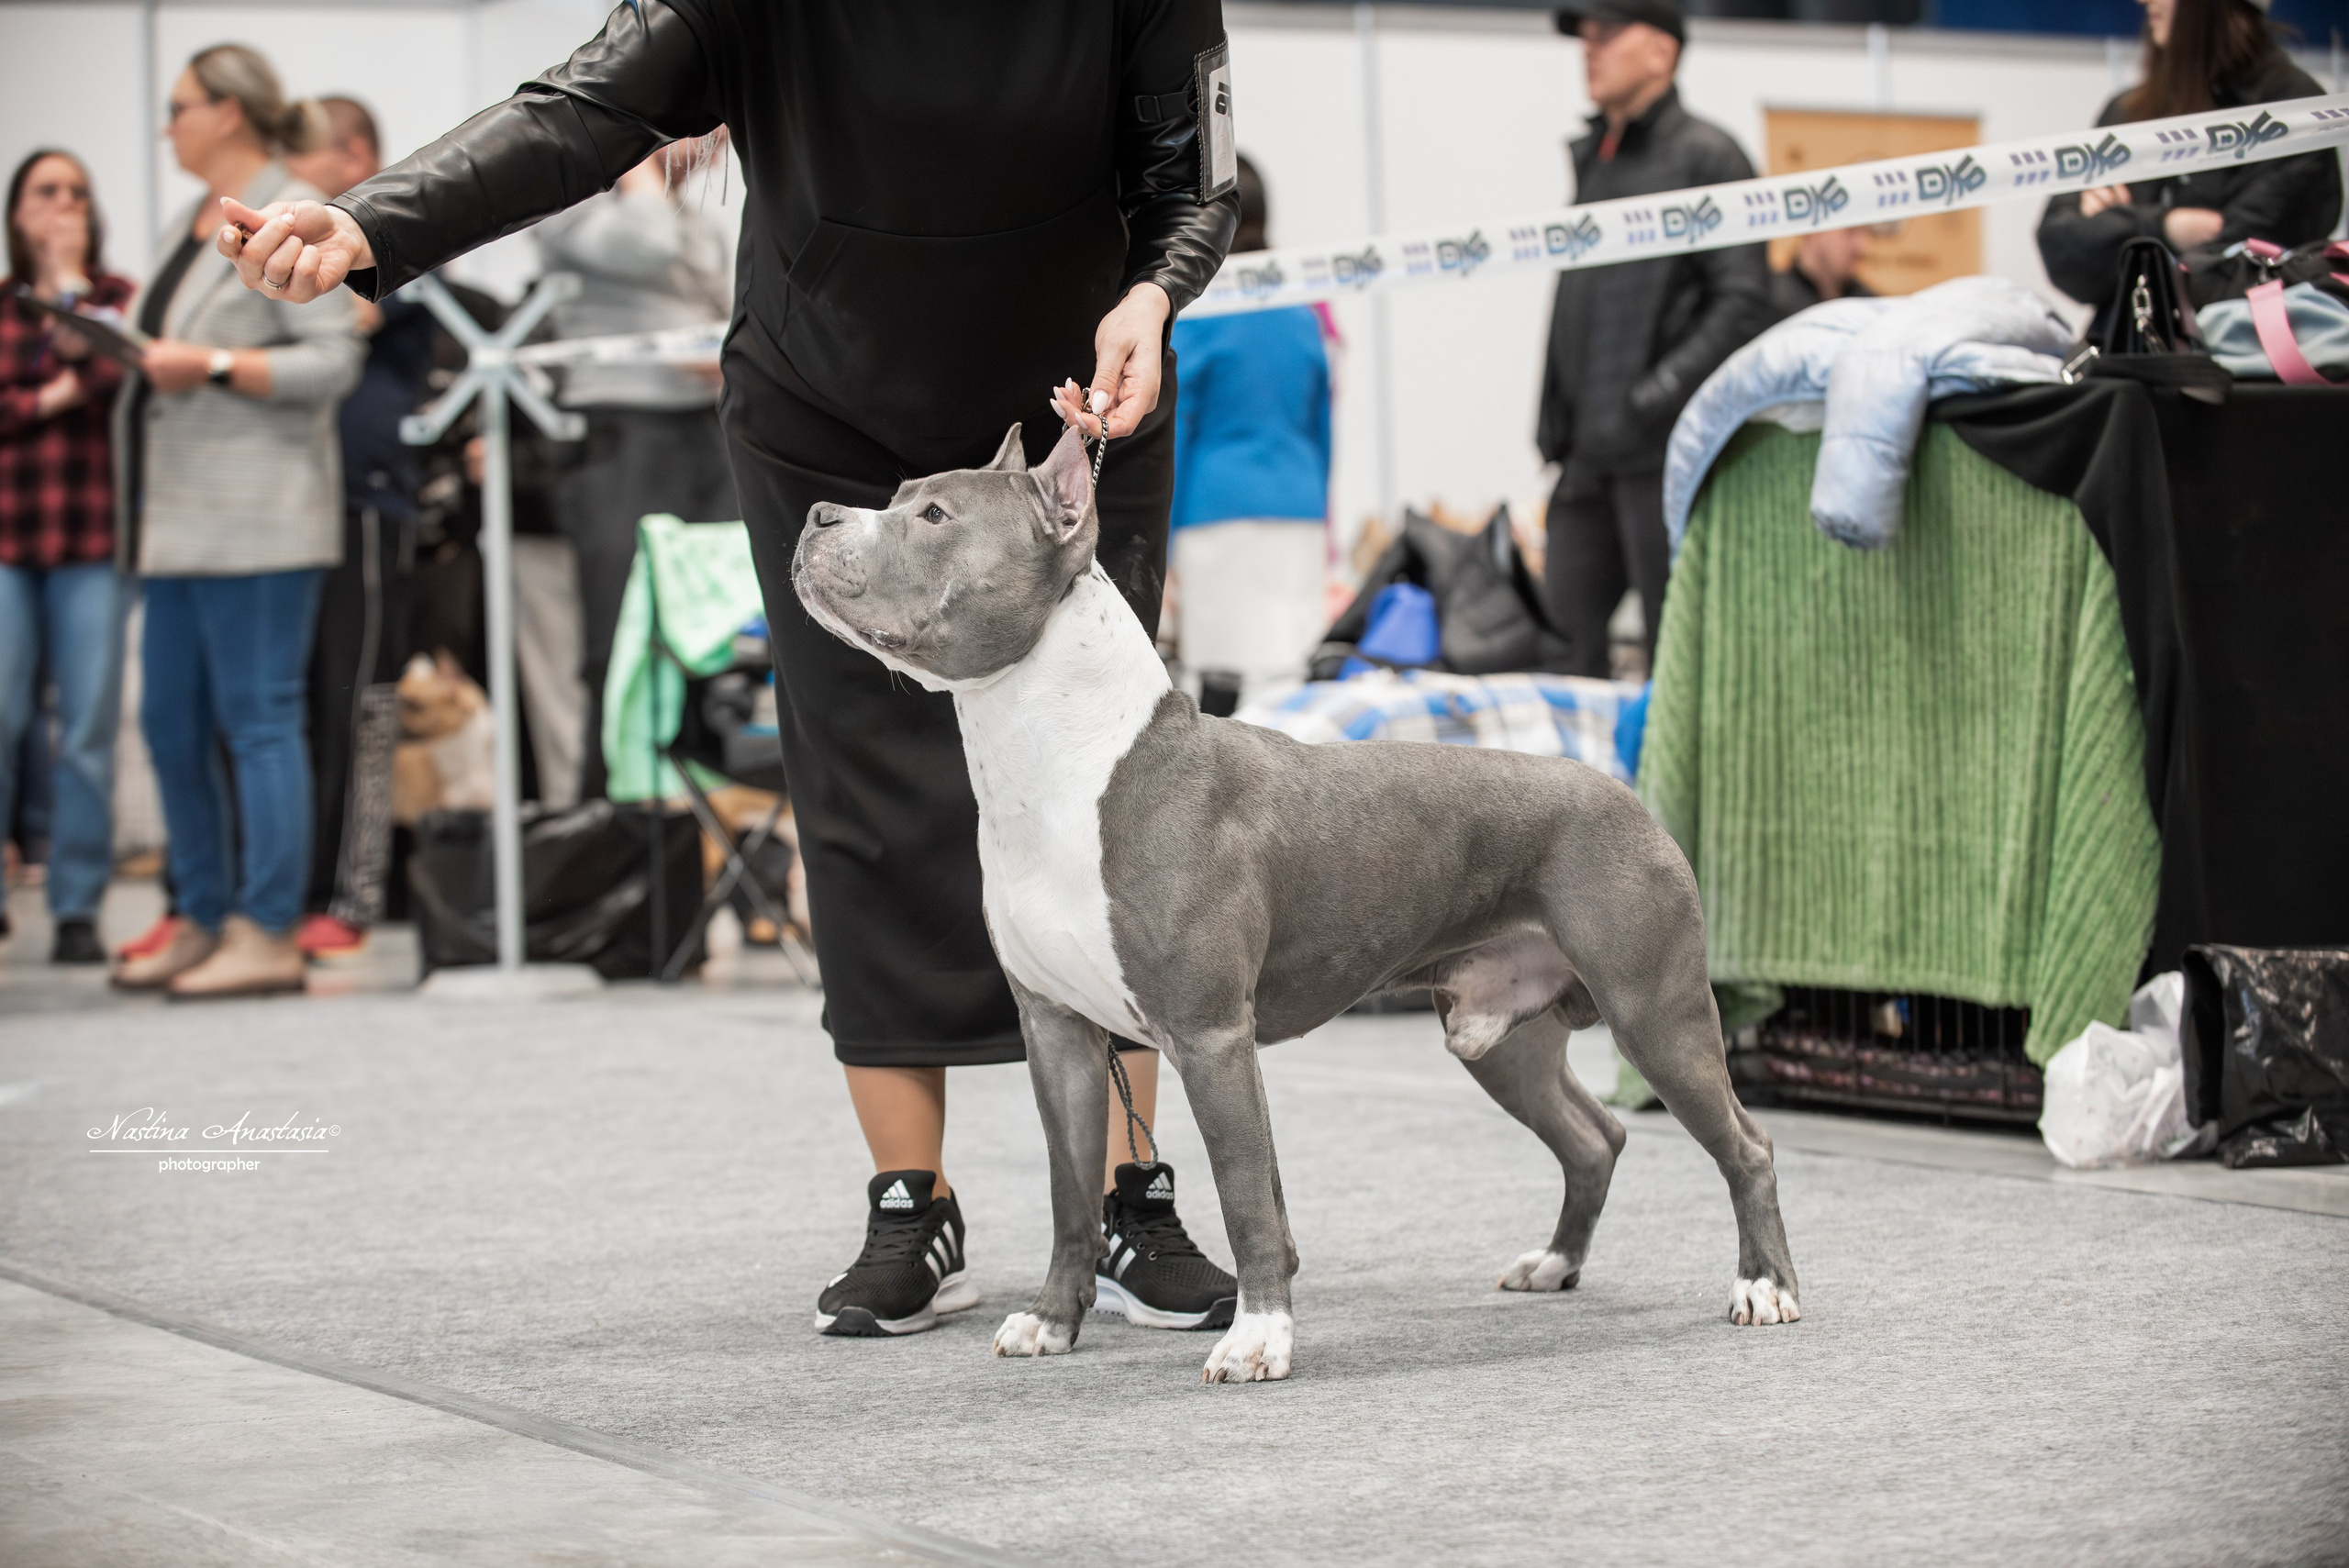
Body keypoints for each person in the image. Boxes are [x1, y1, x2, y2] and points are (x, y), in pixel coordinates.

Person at [216, 1, 1243, 1337]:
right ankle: (907, 1204)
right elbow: (582, 111)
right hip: (827, 408)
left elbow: (1192, 179)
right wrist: (372, 223)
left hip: (1072, 408)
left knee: (1114, 804)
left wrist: (1155, 298)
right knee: (859, 788)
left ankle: (1130, 1199)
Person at [109, 44, 365, 998]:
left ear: (227, 112)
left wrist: (210, 366)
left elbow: (331, 364)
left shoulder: (289, 206)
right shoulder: (193, 219)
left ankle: (267, 929)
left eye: (178, 107)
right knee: (171, 725)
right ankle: (203, 912)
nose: (165, 124)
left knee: (258, 722)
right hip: (175, 522)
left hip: (260, 522)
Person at [1538, 0, 1771, 678]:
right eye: (1585, 32)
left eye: (1608, 31)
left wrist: (1651, 400)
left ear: (1662, 52)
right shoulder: (1598, 156)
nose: (1590, 45)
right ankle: (1566, 792)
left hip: (1662, 458)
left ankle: (1679, 791)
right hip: (1584, 456)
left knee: (1681, 659)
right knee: (1560, 652)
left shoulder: (1708, 155)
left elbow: (1741, 303)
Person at [535, 135, 738, 802]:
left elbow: (732, 302)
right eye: (697, 131)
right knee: (616, 645)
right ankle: (608, 827)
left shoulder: (690, 219)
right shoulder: (569, 210)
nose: (708, 150)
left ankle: (706, 823)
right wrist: (639, 159)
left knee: (714, 637)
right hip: (621, 436)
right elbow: (646, 244)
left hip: (705, 432)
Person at [284, 95, 436, 958]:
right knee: (301, 708)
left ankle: (353, 895)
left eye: (333, 151)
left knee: (364, 708)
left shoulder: (405, 243)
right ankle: (294, 887)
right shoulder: (299, 253)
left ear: (364, 157)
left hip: (372, 507)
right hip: (296, 505)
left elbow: (374, 317)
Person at [0, 150, 135, 964]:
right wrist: (62, 380)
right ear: (17, 212)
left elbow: (126, 379)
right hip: (8, 538)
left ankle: (78, 903)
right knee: (2, 718)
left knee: (86, 727)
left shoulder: (115, 300)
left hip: (92, 540)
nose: (64, 206)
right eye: (47, 193)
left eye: (78, 193)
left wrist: (69, 303)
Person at [2037, 0, 2340, 311]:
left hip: (2244, 348)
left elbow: (2239, 262)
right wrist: (2165, 226)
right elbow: (2060, 249)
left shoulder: (2292, 110)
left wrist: (2113, 227)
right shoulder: (2130, 109)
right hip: (2130, 348)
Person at [1165, 154, 1331, 714]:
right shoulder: (1303, 310)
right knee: (1288, 682)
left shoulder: (1199, 308)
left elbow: (1177, 432)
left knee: (1219, 690)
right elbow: (1320, 428)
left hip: (1216, 515)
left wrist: (1159, 549)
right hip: (1300, 510)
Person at [1768, 225, 1875, 321]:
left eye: (1867, 233)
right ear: (1816, 230)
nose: (1861, 245)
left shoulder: (1869, 306)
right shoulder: (1769, 303)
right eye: (1851, 231)